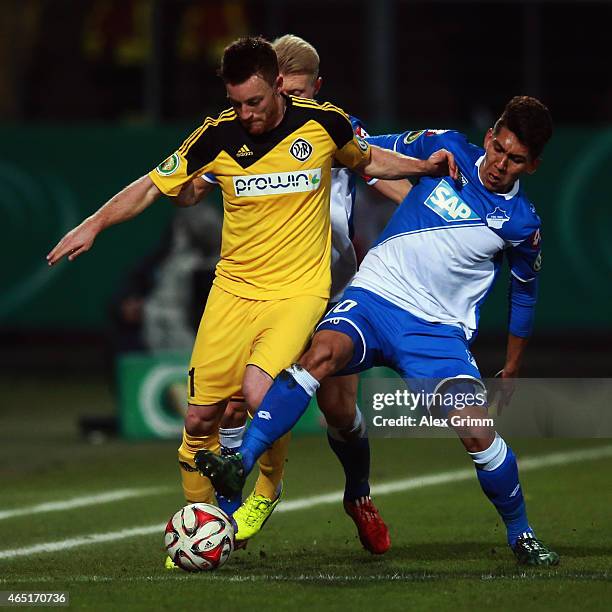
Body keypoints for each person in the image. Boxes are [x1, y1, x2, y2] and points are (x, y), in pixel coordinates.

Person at [46, 36, 456, 556]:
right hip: (234, 291)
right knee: (201, 419)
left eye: (255, 101)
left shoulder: (327, 124)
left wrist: (430, 174)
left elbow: (371, 163)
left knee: (279, 397)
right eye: (237, 102)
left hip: (311, 288)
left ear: (282, 88)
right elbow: (154, 185)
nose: (246, 113)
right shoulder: (217, 136)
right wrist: (94, 225)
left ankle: (281, 491)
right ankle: (209, 526)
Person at [195, 96, 561, 566]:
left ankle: (522, 535)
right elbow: (363, 146)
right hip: (374, 297)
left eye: (515, 160)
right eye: (499, 150)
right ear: (490, 136)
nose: (499, 165)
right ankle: (239, 465)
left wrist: (512, 365)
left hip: (436, 331)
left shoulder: (523, 224)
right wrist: (318, 118)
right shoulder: (445, 149)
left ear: (532, 166)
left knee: (476, 433)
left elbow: (524, 294)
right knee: (319, 356)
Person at [178, 34, 411, 553]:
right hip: (268, 288)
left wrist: (439, 211)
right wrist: (189, 189)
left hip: (335, 287)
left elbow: (387, 177)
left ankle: (358, 496)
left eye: (299, 89)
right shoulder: (248, 131)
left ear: (314, 87)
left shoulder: (333, 126)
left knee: (338, 412)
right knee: (241, 400)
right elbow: (202, 181)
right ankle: (241, 503)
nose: (291, 99)